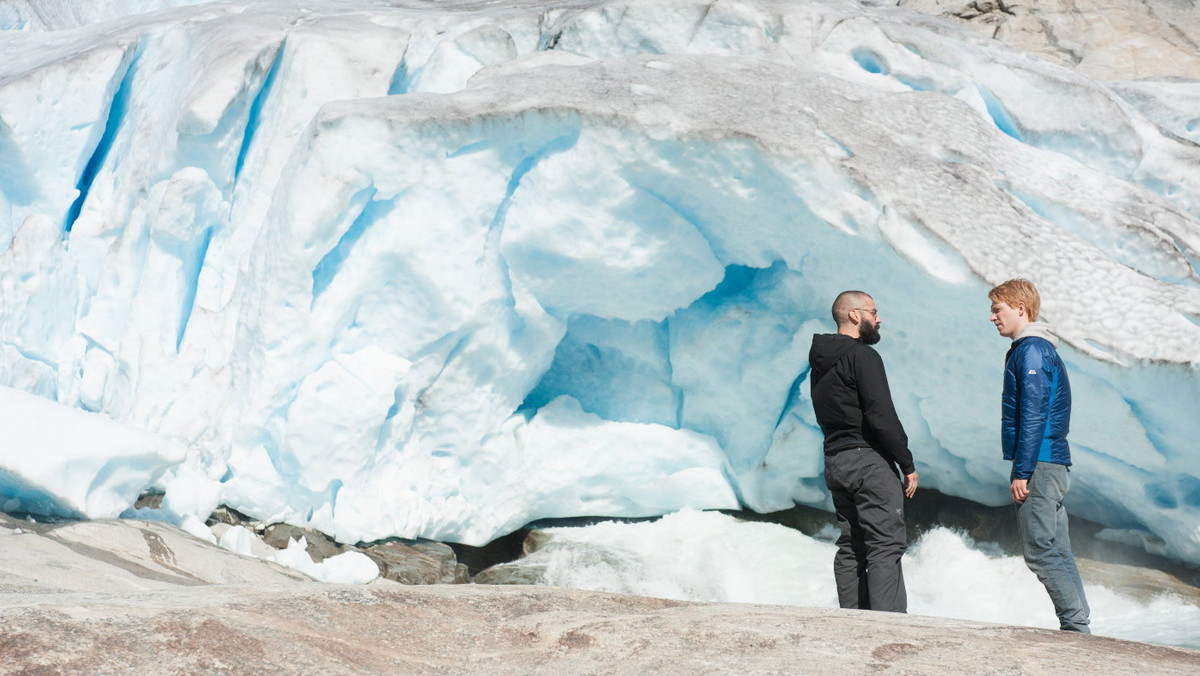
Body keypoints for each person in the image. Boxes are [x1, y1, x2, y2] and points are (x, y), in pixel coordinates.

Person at [989, 278, 1091, 633]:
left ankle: (1076, 628)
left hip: (1041, 464)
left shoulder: (1031, 350)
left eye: (997, 309)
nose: (992, 317)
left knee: (1039, 551)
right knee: (1057, 549)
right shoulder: (1037, 349)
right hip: (1053, 461)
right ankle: (1079, 626)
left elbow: (1033, 413)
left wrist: (1022, 470)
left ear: (1021, 308)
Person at [808, 290, 918, 613]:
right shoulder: (863, 356)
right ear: (855, 316)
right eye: (874, 311)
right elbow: (880, 414)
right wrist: (906, 463)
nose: (878, 318)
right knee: (885, 544)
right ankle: (887, 627)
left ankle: (854, 623)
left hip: (836, 460)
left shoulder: (820, 362)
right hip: (869, 461)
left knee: (851, 545)